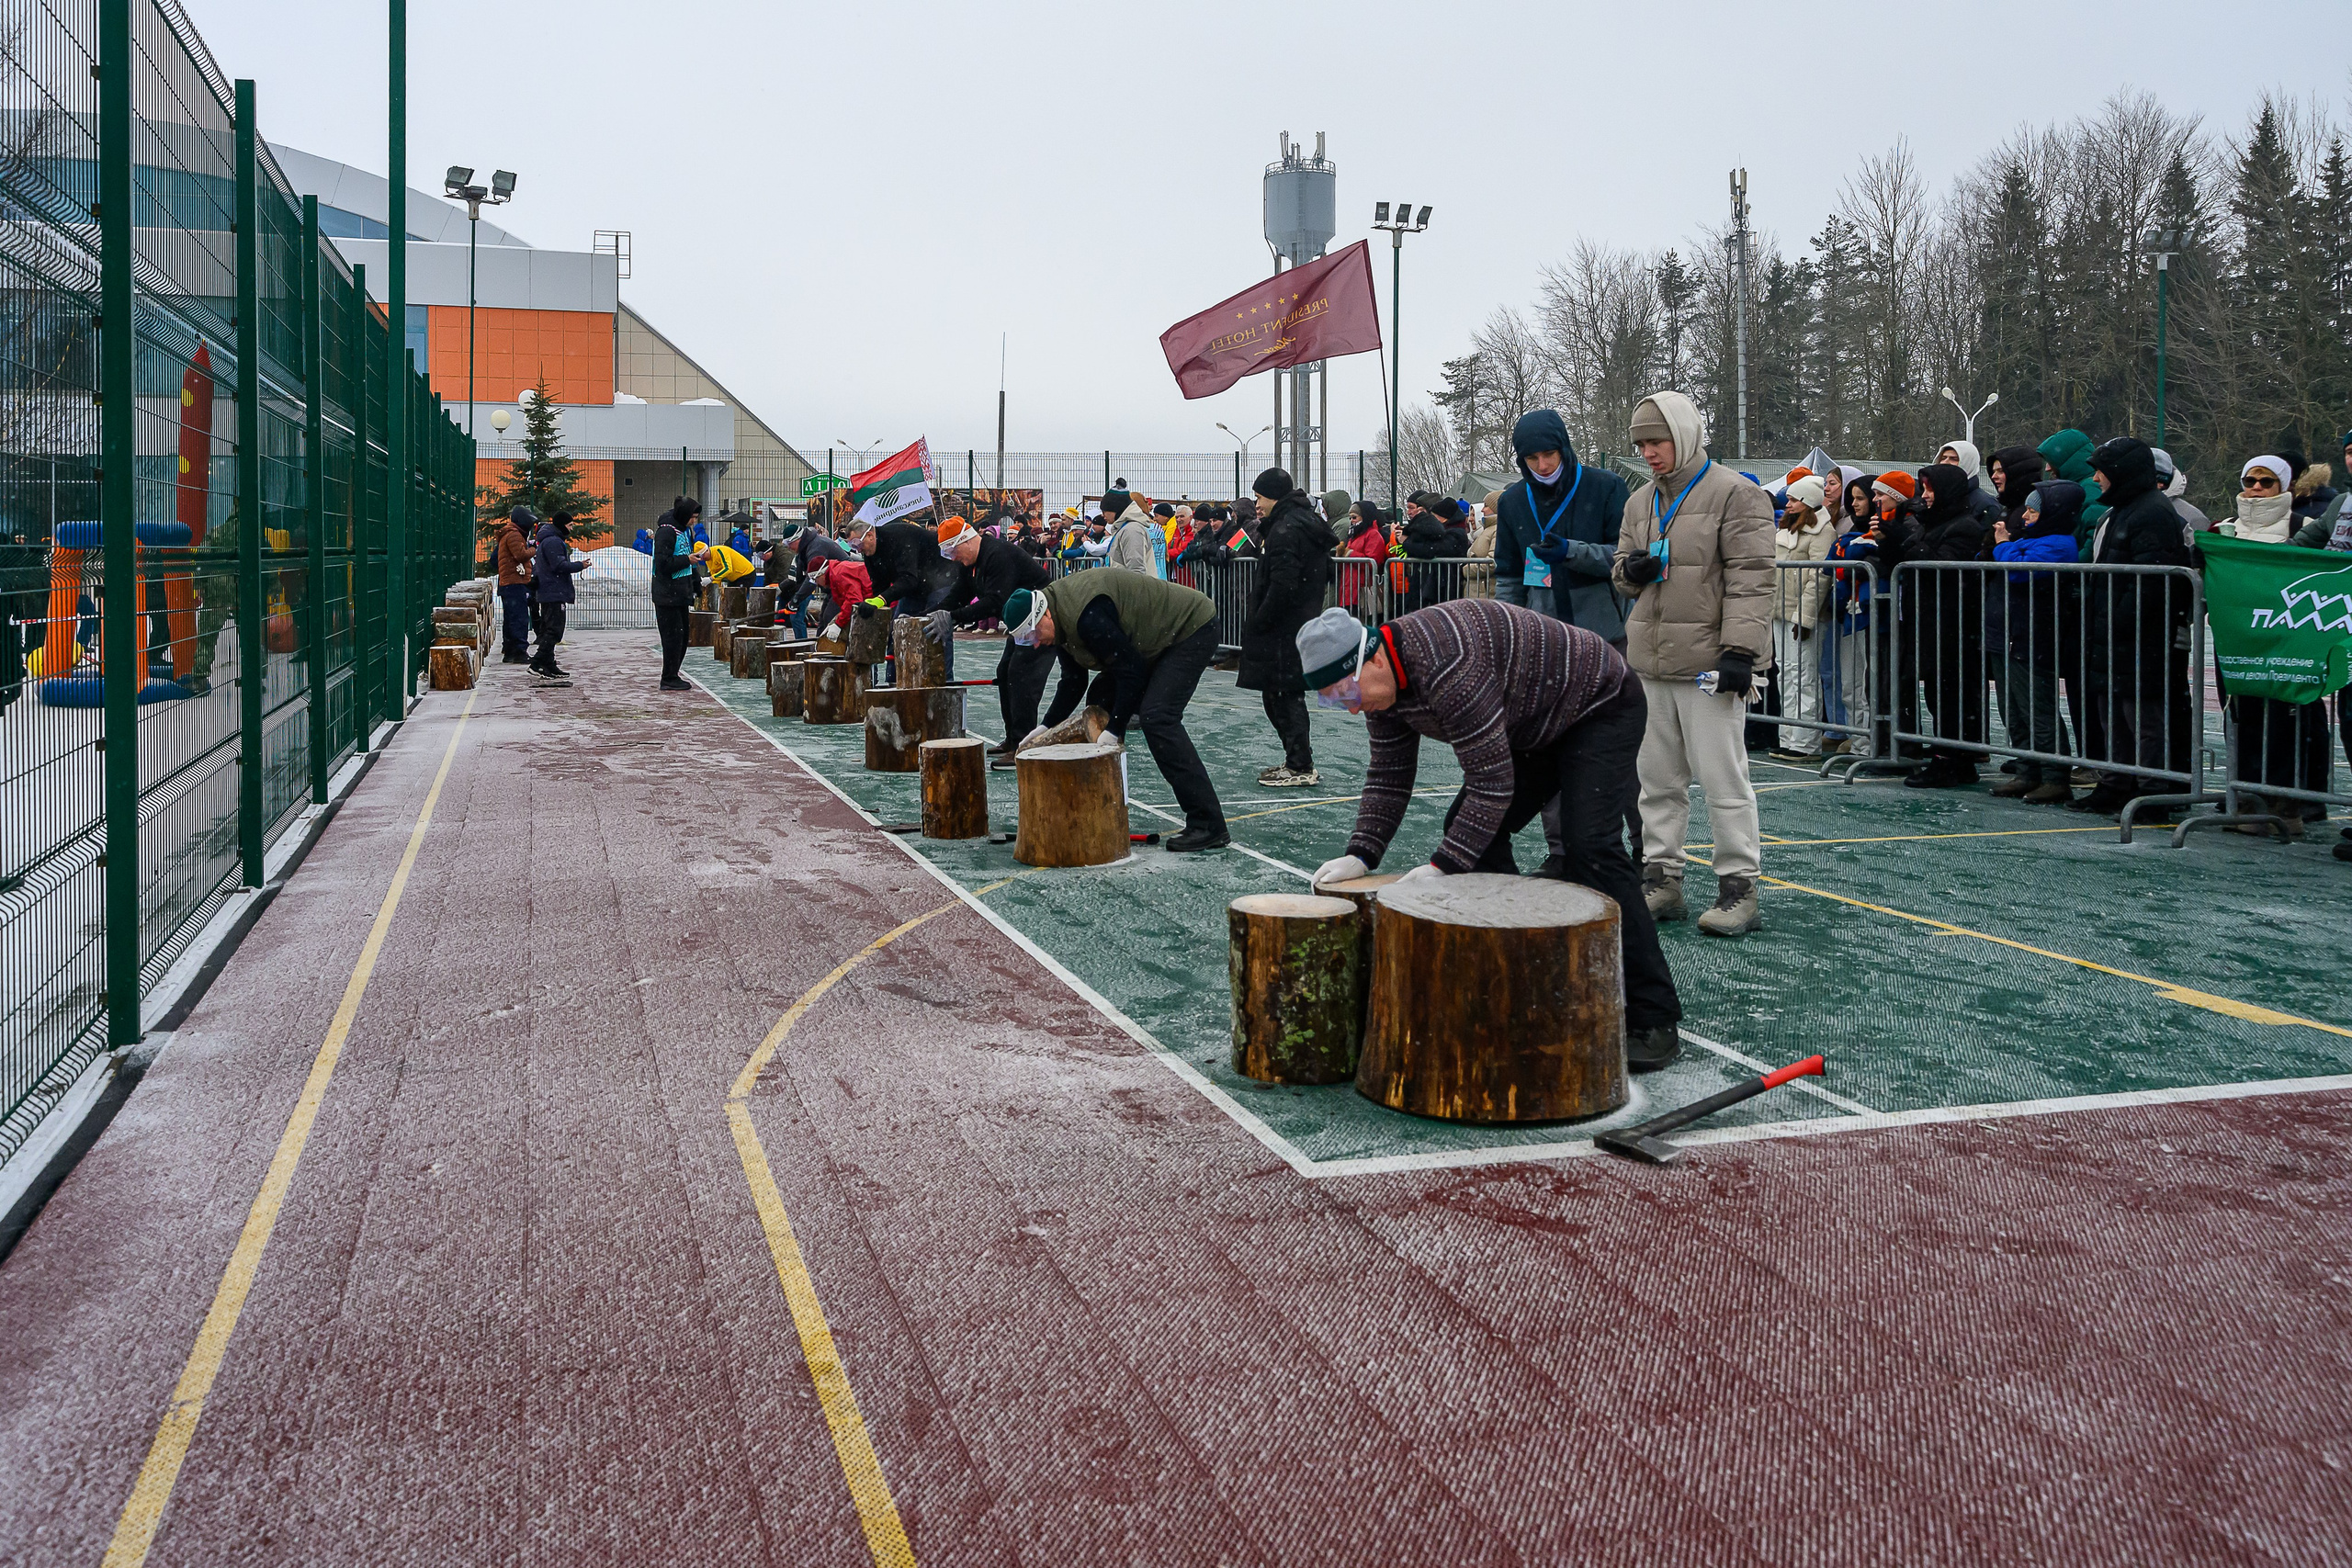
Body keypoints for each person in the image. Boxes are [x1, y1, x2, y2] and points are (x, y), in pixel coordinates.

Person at [1295, 600, 1683, 1071]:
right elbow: (1389, 776)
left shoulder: (1447, 664)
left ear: (1372, 658)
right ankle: (1523, 972)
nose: (1353, 708)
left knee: (1591, 847)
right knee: (1474, 834)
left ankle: (1654, 1016)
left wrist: (1442, 866)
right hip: (1532, 722)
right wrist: (1361, 854)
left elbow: (1492, 784)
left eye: (1346, 692)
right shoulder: (1382, 689)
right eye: (1335, 702)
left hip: (1598, 704)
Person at [1610, 389, 1772, 937]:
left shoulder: (1736, 494)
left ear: (1683, 435)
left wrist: (1739, 653)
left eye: (1656, 441)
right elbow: (1620, 569)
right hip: (1651, 663)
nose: (1648, 453)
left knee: (1724, 781)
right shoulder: (1639, 502)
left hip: (1710, 666)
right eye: (1641, 444)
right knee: (1655, 781)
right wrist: (1629, 571)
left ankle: (1738, 887)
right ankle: (1662, 879)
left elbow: (1752, 579)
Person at [1002, 572, 1228, 852]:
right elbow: (1074, 681)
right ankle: (1103, 808)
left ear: (1045, 614)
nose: (1035, 643)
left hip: (1189, 628)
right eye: (1026, 640)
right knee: (1100, 701)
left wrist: (1114, 731)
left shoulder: (1087, 618)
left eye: (1033, 635)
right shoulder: (1059, 620)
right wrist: (1045, 727)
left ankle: (1208, 823)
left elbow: (1132, 672)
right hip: (1146, 642)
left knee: (1158, 717)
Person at [2071, 437, 2192, 820]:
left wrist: (2118, 621)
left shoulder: (2151, 513)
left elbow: (2151, 583)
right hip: (2116, 633)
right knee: (2114, 715)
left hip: (2140, 638)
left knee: (2142, 719)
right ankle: (2116, 783)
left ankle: (2150, 792)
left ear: (2120, 473)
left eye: (2101, 472)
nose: (2095, 479)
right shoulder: (2123, 510)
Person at [2216, 456, 2327, 834]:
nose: (2256, 489)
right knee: (2241, 720)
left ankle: (2285, 806)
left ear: (2284, 486)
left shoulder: (2303, 526)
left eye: (2267, 482)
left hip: (2286, 642)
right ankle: (2247, 798)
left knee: (2284, 724)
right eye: (2250, 480)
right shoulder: (2225, 528)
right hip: (2236, 640)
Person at [1890, 464, 1993, 788]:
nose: (1925, 496)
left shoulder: (1964, 527)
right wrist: (1894, 537)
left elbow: (1941, 566)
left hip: (1953, 623)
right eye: (1924, 489)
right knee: (1938, 692)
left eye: (1931, 489)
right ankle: (1947, 755)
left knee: (1952, 694)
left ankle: (1953, 760)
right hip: (1931, 621)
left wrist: (1903, 539)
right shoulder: (1932, 523)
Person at [938, 513, 1073, 753]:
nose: (954, 558)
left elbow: (995, 601)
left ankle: (1022, 743)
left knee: (1022, 677)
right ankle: (1013, 738)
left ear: (966, 541)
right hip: (1023, 622)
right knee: (1005, 673)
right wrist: (933, 613)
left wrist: (953, 617)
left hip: (1043, 620)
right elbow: (959, 594)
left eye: (953, 551)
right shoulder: (971, 563)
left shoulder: (997, 555)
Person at [1237, 468, 1335, 788]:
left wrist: (1262, 619)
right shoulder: (1302, 524)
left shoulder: (1285, 529)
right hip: (1298, 622)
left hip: (1283, 627)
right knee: (1281, 694)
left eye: (1260, 497)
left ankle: (1300, 765)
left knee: (1283, 696)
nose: (1257, 504)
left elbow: (1283, 584)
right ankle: (1297, 760)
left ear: (1274, 496)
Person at [1989, 479, 2082, 802]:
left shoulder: (2060, 544)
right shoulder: (2032, 540)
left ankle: (2055, 776)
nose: (2026, 517)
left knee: (2037, 709)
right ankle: (2027, 771)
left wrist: (2003, 544)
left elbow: (2017, 569)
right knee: (2013, 710)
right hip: (2011, 633)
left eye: (2033, 511)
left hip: (2033, 636)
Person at [1769, 475, 1835, 761]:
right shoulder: (1787, 528)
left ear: (1808, 502)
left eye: (1795, 500)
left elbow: (1820, 577)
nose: (1789, 504)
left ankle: (1806, 742)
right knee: (1786, 674)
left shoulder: (1822, 532)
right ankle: (1788, 736)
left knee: (1804, 676)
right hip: (1780, 611)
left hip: (1801, 614)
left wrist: (1805, 617)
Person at [853, 513, 963, 677]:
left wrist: (881, 599)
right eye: (852, 545)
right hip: (915, 588)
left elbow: (909, 580)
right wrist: (874, 606)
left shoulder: (900, 538)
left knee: (936, 629)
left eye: (857, 543)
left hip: (940, 579)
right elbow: (879, 585)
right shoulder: (869, 554)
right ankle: (893, 680)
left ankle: (944, 680)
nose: (857, 549)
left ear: (869, 535)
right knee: (897, 630)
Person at [650, 497, 709, 691]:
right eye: (692, 517)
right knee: (672, 639)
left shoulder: (685, 530)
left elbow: (689, 560)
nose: (694, 521)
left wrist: (696, 584)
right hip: (667, 594)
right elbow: (663, 564)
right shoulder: (667, 532)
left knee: (682, 638)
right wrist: (686, 560)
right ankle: (668, 677)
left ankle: (673, 674)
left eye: (696, 517)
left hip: (681, 593)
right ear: (683, 515)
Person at [530, 509, 590, 679]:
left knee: (550, 629)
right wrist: (580, 565)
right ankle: (537, 663)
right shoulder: (553, 542)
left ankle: (549, 664)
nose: (571, 528)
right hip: (553, 591)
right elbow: (559, 566)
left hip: (550, 590)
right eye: (570, 525)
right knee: (554, 631)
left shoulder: (549, 540)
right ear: (562, 525)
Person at [494, 507, 537, 663]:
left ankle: (510, 650)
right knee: (519, 618)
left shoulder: (509, 533)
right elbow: (520, 555)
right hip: (515, 581)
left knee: (511, 618)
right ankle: (519, 651)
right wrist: (533, 549)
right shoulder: (514, 534)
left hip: (509, 582)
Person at [1101, 487, 1160, 575]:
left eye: (1104, 511)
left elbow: (1136, 571)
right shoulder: (1125, 529)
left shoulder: (1132, 531)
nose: (1102, 515)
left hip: (1133, 584)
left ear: (1115, 510)